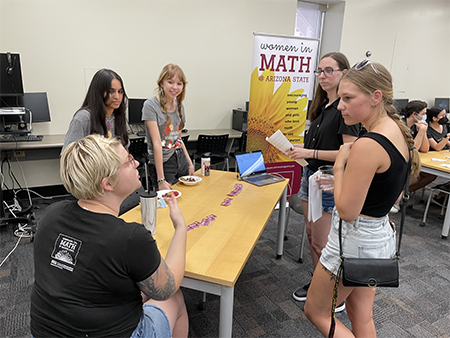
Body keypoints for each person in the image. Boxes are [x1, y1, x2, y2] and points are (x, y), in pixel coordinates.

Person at [304, 60, 421, 337]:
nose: (340, 106)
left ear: (375, 97)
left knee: (316, 311)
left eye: (348, 98)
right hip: (378, 236)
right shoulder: (395, 130)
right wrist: (345, 177)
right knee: (361, 315)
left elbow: (346, 211)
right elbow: (381, 184)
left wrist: (341, 165)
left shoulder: (367, 144)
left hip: (355, 240)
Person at [31, 135, 188, 338]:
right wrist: (180, 227)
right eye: (129, 161)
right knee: (175, 298)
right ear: (108, 183)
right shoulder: (130, 237)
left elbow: (84, 275)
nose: (137, 163)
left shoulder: (51, 215)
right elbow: (167, 288)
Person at [286, 52, 361, 312]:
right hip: (312, 178)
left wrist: (310, 153)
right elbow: (318, 145)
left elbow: (349, 150)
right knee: (311, 236)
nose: (323, 76)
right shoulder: (323, 107)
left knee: (323, 242)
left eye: (329, 70)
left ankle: (331, 294)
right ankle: (320, 282)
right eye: (319, 71)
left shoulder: (344, 108)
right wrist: (301, 148)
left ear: (344, 73)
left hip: (329, 180)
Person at [142, 64, 194, 191]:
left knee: (186, 198)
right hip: (163, 163)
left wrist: (190, 163)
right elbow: (157, 144)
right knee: (164, 202)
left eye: (179, 83)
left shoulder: (180, 106)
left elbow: (179, 139)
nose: (175, 87)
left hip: (179, 158)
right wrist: (161, 179)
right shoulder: (150, 105)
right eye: (170, 82)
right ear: (161, 83)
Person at [62, 69, 130, 152]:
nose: (117, 96)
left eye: (120, 91)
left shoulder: (119, 117)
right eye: (111, 91)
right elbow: (69, 156)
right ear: (99, 92)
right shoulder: (83, 118)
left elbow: (125, 150)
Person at [397, 100, 435, 204]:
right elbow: (412, 149)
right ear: (414, 114)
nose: (425, 116)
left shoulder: (416, 126)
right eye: (423, 114)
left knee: (430, 176)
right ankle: (395, 194)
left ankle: (401, 194)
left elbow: (425, 149)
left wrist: (424, 132)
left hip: (408, 160)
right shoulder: (400, 126)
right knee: (414, 177)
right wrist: (421, 131)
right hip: (398, 160)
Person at [426, 107, 450, 205]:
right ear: (434, 118)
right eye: (442, 116)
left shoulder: (443, 126)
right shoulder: (428, 130)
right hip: (433, 157)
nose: (445, 117)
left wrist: (447, 140)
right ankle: (441, 194)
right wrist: (446, 138)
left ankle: (443, 194)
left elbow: (446, 142)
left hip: (445, 155)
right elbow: (437, 147)